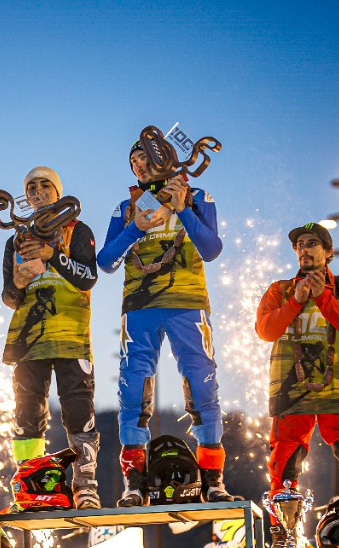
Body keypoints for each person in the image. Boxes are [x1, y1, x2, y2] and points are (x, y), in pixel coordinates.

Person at [97, 137, 236, 505]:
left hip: (187, 304)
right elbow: (106, 262)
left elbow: (211, 249)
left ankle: (212, 479)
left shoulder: (197, 193)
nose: (139, 165)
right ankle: (134, 482)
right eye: (133, 160)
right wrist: (135, 228)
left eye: (145, 157)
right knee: (132, 390)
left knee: (202, 385)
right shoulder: (126, 205)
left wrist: (182, 208)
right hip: (140, 307)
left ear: (164, 157)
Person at [255, 223, 339, 548]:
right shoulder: (280, 290)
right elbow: (266, 330)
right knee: (284, 461)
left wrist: (323, 297)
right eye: (299, 244)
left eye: (312, 243)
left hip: (337, 387)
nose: (304, 249)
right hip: (289, 390)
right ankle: (282, 543)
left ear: (327, 252)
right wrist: (297, 301)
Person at [2, 166, 100, 508]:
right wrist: (17, 282)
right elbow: (9, 298)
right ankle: (30, 487)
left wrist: (52, 256)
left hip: (72, 335)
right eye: (32, 187)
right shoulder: (16, 239)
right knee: (27, 414)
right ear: (25, 197)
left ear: (58, 193)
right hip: (28, 340)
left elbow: (88, 277)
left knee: (78, 411)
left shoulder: (78, 229)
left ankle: (85, 487)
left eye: (46, 185)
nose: (39, 191)